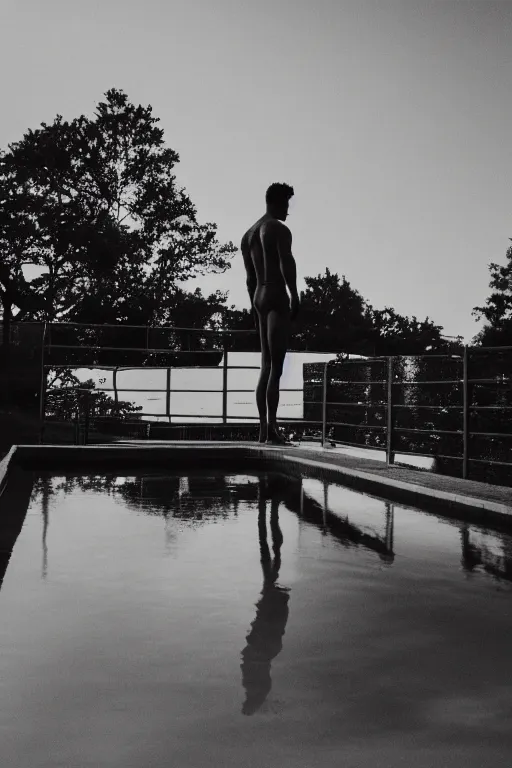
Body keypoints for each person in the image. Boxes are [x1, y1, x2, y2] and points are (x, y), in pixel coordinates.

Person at [241, 182, 300, 445]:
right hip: (276, 295)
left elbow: (250, 279)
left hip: (259, 298)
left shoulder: (249, 234)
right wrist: (295, 294)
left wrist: (254, 309)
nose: (288, 210)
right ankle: (273, 429)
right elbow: (286, 261)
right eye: (286, 204)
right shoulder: (277, 228)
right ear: (277, 202)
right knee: (276, 367)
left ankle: (264, 430)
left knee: (265, 366)